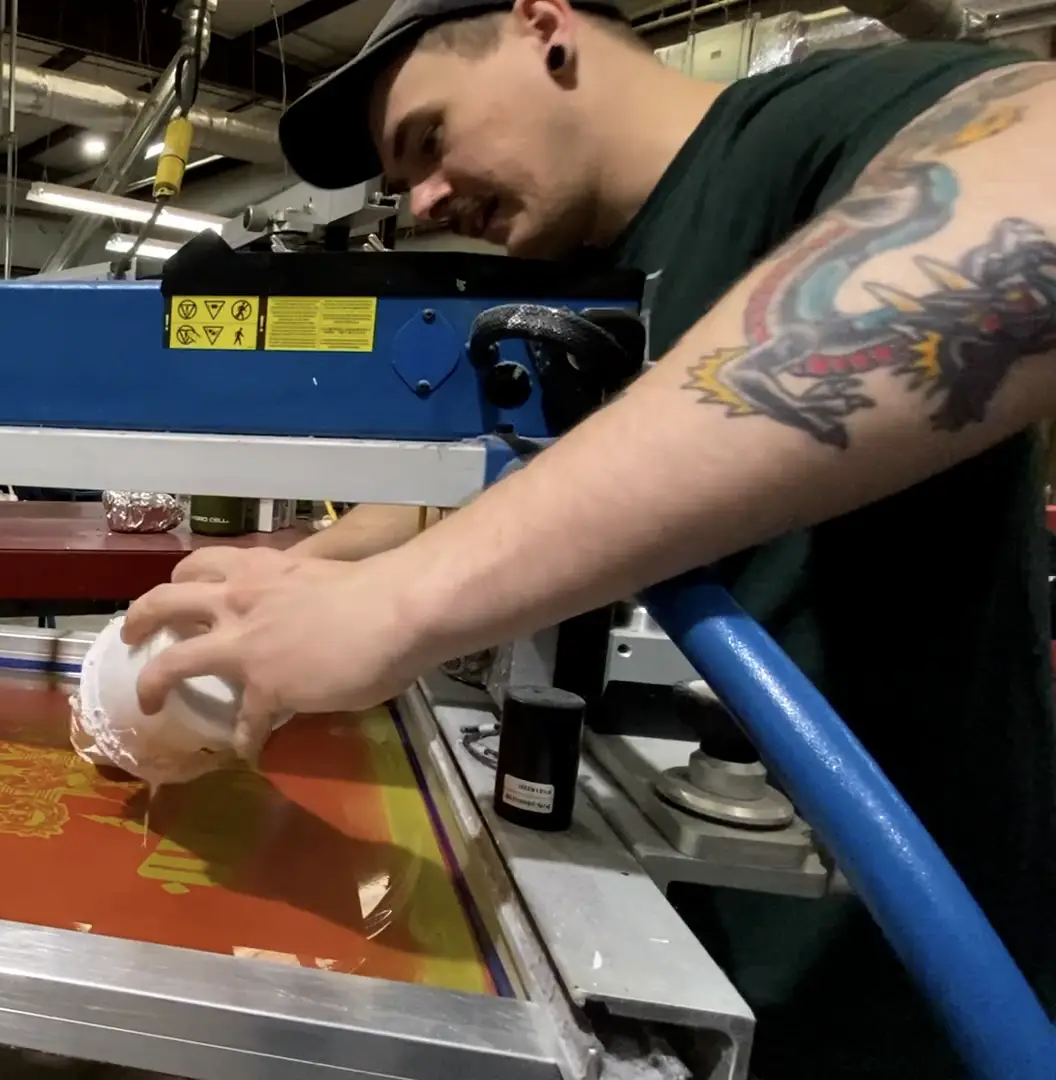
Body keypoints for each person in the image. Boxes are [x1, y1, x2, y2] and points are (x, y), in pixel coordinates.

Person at [122, 1, 1056, 1075]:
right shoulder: (592, 277)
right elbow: (542, 478)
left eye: (428, 139)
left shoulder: (790, 134)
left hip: (882, 974)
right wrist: (307, 568)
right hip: (645, 945)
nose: (424, 198)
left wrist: (403, 602)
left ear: (543, 27)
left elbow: (1034, 183)